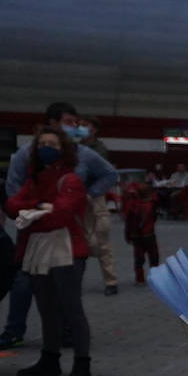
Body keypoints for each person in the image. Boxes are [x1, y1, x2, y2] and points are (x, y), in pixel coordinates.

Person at [0, 103, 117, 350]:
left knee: (65, 284)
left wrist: (88, 196)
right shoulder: (26, 155)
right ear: (52, 122)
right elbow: (13, 191)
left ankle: (69, 336)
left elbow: (109, 174)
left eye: (77, 122)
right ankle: (14, 331)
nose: (75, 127)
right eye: (70, 121)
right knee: (24, 280)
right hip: (32, 230)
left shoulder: (83, 155)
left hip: (66, 231)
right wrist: (29, 212)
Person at [6, 128, 93, 376]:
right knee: (46, 308)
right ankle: (50, 358)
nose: (46, 147)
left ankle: (82, 363)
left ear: (63, 148)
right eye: (41, 143)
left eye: (51, 144)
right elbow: (11, 206)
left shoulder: (71, 180)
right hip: (41, 249)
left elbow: (61, 215)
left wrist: (33, 211)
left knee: (71, 308)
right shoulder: (36, 179)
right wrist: (42, 207)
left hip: (67, 250)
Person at [67, 114, 120, 295]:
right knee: (75, 240)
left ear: (94, 129)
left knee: (101, 241)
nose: (80, 128)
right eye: (78, 125)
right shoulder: (71, 147)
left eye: (84, 125)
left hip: (94, 198)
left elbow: (104, 174)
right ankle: (73, 281)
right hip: (74, 199)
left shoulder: (98, 149)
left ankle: (111, 281)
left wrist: (90, 193)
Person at [122, 182, 160, 284]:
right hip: (149, 234)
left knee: (139, 258)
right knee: (153, 257)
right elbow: (154, 217)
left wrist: (128, 235)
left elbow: (128, 222)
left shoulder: (133, 205)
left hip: (136, 236)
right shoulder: (152, 204)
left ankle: (140, 278)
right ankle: (155, 277)